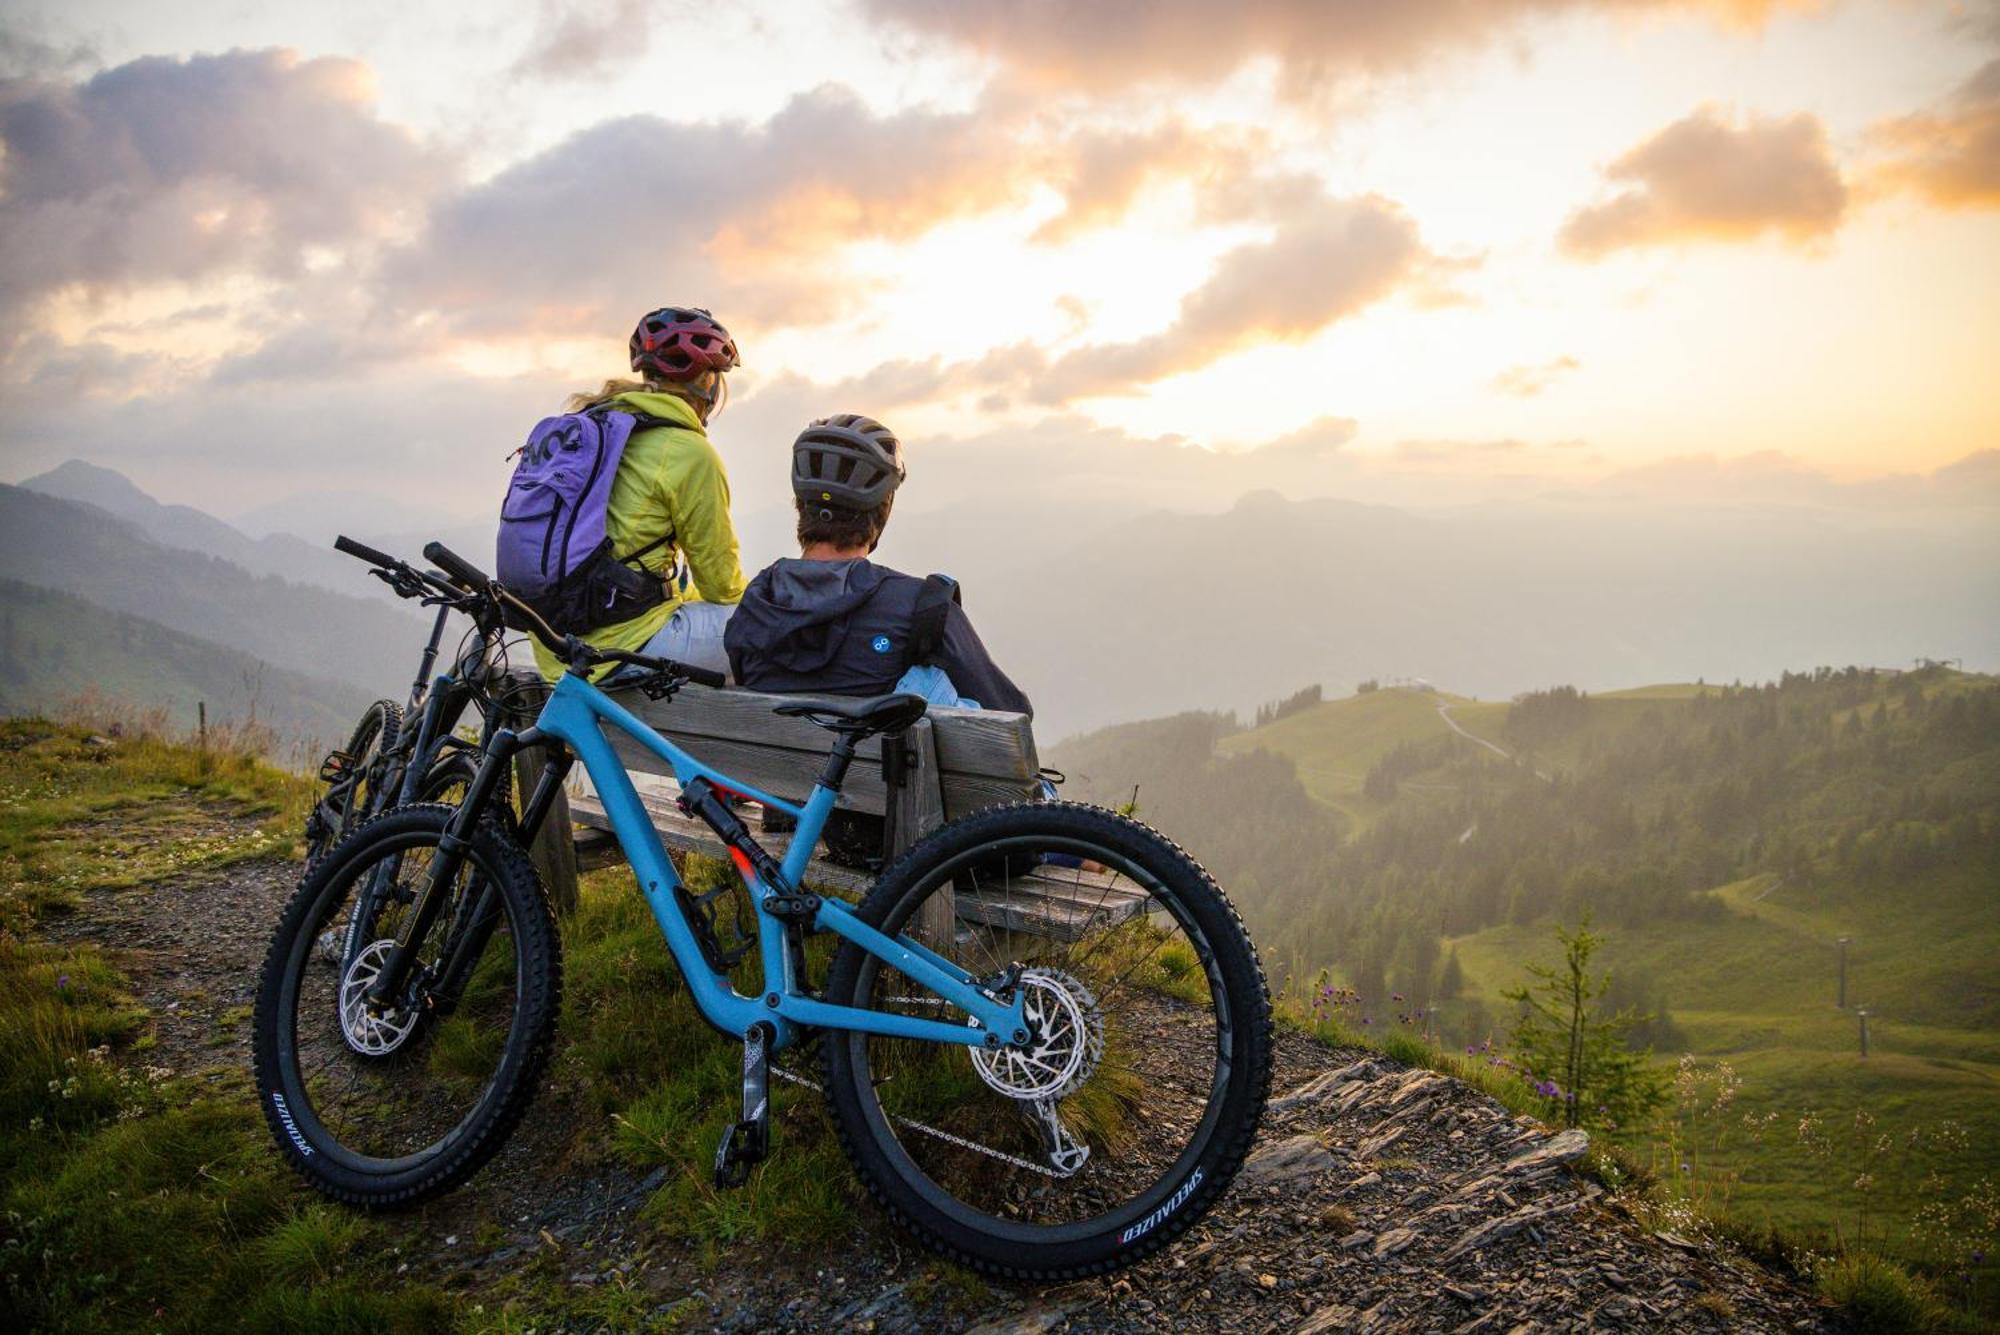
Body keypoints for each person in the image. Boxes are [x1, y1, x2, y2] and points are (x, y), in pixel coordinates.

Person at [725, 414, 1031, 716]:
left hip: (759, 765)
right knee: (928, 684)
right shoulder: (923, 609)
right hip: (877, 767)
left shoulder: (758, 603)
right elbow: (1009, 715)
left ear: (800, 504)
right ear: (883, 509)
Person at [530, 306, 747, 682]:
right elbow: (721, 585)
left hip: (555, 649)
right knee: (759, 629)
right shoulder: (689, 452)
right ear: (707, 382)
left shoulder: (595, 427)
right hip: (620, 650)